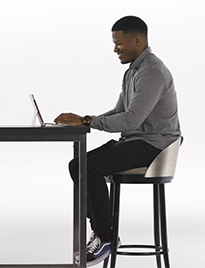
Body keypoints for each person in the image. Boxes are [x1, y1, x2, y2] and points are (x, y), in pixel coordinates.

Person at [54, 16, 181, 267]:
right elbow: (119, 112)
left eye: (119, 43)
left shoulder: (152, 72)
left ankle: (106, 237)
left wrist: (89, 122)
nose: (115, 49)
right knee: (77, 165)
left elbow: (131, 120)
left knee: (89, 168)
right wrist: (85, 119)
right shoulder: (133, 71)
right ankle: (101, 231)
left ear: (137, 39)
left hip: (155, 146)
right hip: (137, 141)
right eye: (114, 43)